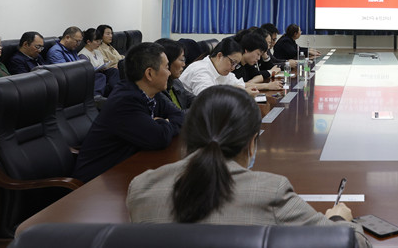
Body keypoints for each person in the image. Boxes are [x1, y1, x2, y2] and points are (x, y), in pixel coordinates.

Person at [126, 86, 371, 248]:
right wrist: (340, 218)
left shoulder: (142, 187)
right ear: (252, 141)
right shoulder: (270, 190)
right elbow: (350, 244)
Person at [72, 43, 184, 182]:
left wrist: (162, 124)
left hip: (125, 171)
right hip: (97, 182)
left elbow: (180, 116)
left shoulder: (153, 93)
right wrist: (163, 122)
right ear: (149, 73)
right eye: (166, 67)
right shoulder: (125, 101)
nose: (169, 72)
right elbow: (159, 138)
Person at [178, 37, 259, 97]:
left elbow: (238, 84)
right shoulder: (201, 70)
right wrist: (240, 92)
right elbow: (209, 99)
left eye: (236, 64)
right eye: (232, 62)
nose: (233, 68)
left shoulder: (221, 70)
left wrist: (241, 90)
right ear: (219, 56)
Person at [78, 28, 120, 96]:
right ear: (88, 42)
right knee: (101, 76)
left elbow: (102, 64)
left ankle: (117, 92)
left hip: (102, 72)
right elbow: (87, 72)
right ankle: (97, 97)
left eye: (100, 41)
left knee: (113, 71)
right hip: (93, 77)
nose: (99, 43)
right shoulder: (83, 54)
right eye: (97, 41)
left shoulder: (97, 51)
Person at [155, 38, 195, 111]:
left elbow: (197, 100)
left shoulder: (175, 82)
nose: (184, 64)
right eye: (181, 59)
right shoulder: (157, 89)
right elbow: (177, 115)